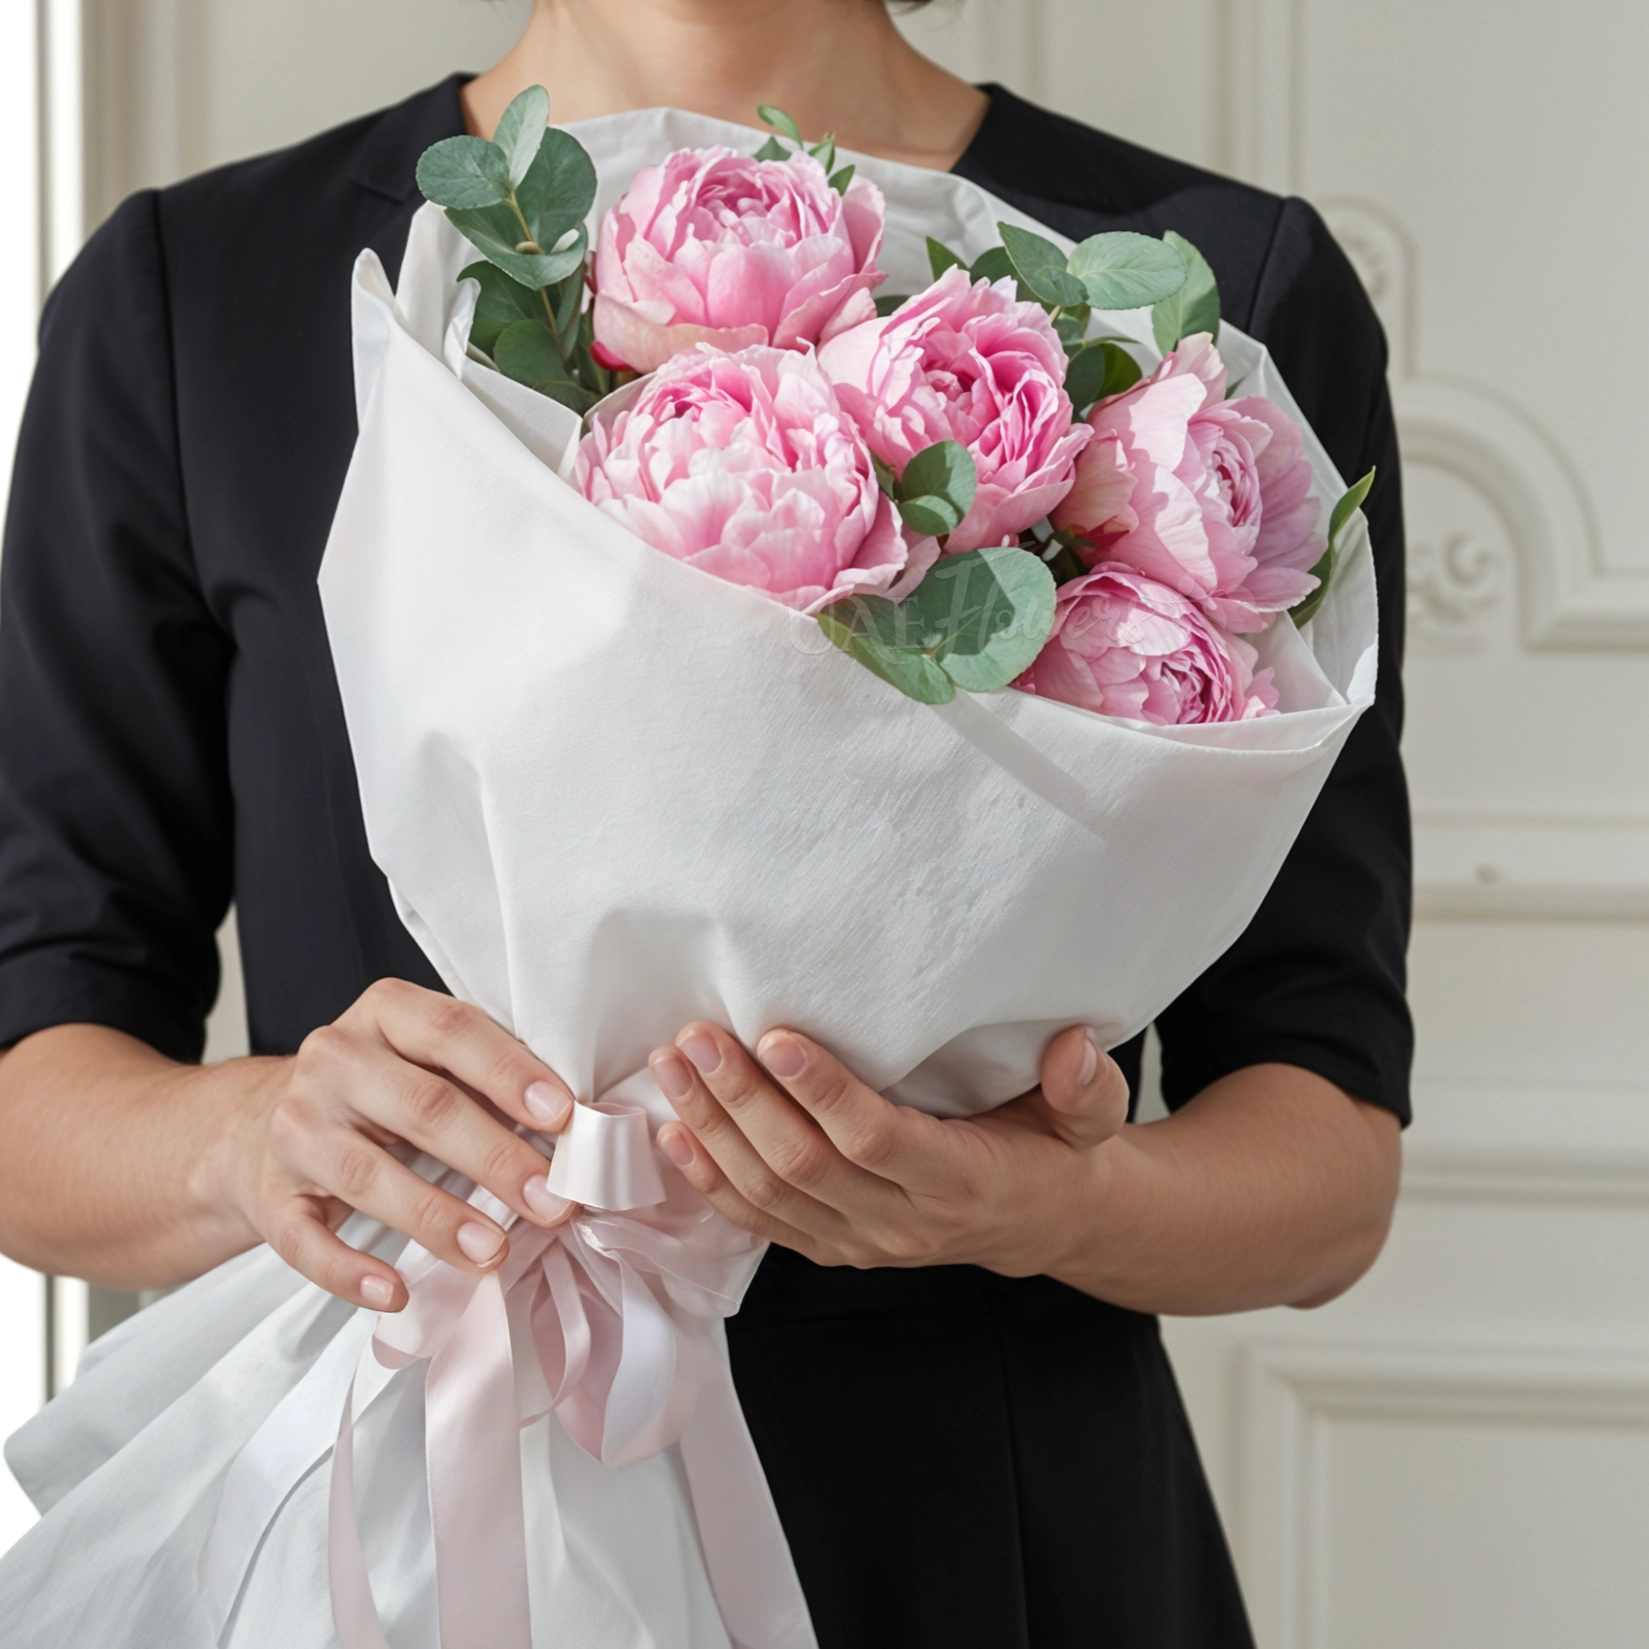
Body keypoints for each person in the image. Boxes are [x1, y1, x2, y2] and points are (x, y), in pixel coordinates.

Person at [0, 1, 1410, 1644]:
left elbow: (1330, 1170)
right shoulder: (203, 294)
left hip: (987, 1543)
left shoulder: (1211, 301)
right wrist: (262, 1141)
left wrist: (1046, 1207)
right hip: (403, 1540)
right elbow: (35, 1088)